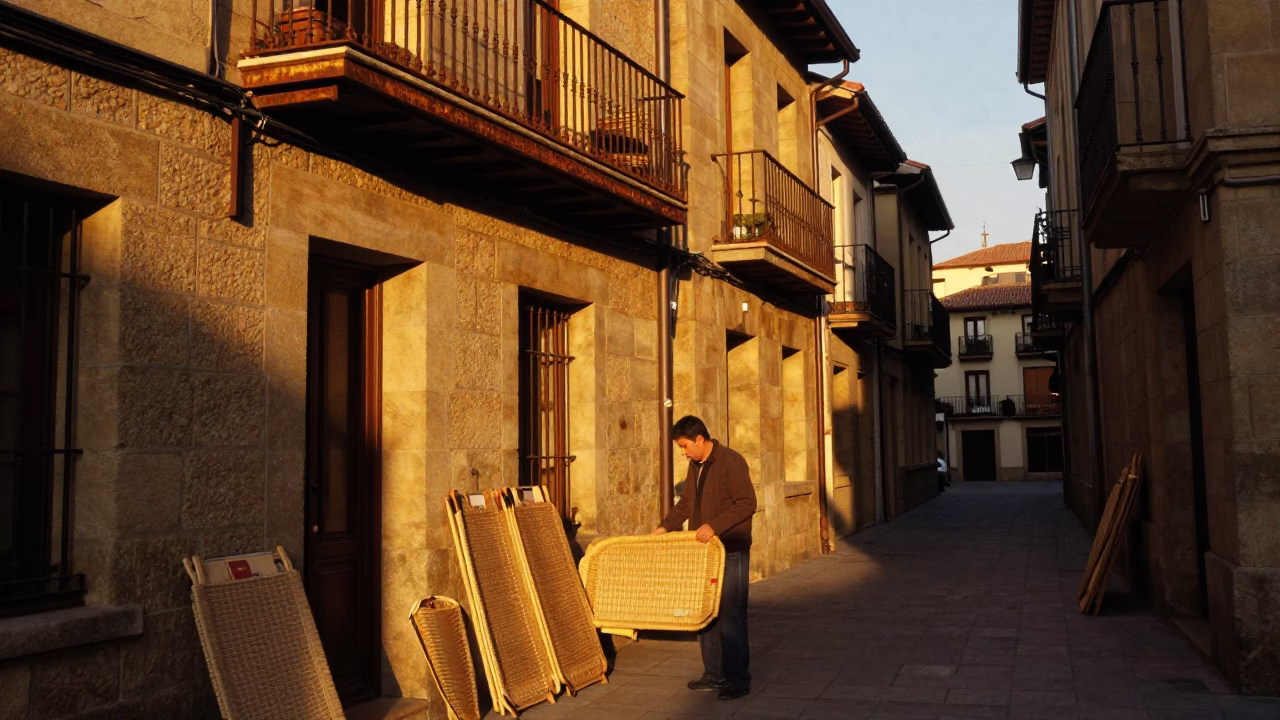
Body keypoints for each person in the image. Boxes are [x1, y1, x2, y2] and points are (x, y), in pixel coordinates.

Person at [653, 415, 756, 701]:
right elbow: (687, 503)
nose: (683, 453)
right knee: (706, 613)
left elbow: (747, 503)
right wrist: (664, 527)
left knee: (731, 616)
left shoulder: (732, 461)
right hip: (705, 554)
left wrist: (714, 526)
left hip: (731, 549)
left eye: (684, 446)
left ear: (700, 439)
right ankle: (714, 675)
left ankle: (738, 680)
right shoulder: (695, 465)